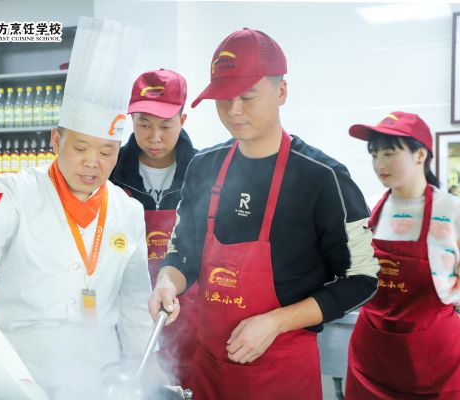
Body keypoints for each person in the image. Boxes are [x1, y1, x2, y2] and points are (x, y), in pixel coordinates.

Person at [147, 28, 380, 400]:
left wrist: (276, 322)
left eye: (247, 96)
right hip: (208, 373)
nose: (234, 110)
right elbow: (182, 254)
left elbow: (363, 278)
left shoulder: (323, 178)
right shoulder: (203, 167)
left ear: (281, 92)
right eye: (224, 98)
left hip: (282, 377)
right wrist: (166, 282)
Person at [0, 17, 154, 396]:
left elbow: (136, 303)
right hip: (20, 375)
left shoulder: (128, 211)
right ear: (57, 140)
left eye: (106, 152)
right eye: (81, 148)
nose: (93, 163)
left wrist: (146, 373)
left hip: (97, 379)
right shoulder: (19, 190)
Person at [346, 111, 460, 398]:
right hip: (372, 358)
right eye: (374, 154)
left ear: (420, 155)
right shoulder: (370, 208)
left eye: (389, 154)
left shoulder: (451, 211)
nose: (379, 164)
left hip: (435, 361)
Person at [110, 68, 197, 387]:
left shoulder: (203, 171)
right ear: (131, 121)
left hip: (188, 314)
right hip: (124, 317)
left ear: (182, 120)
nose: (155, 137)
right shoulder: (110, 171)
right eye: (144, 124)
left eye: (165, 125)